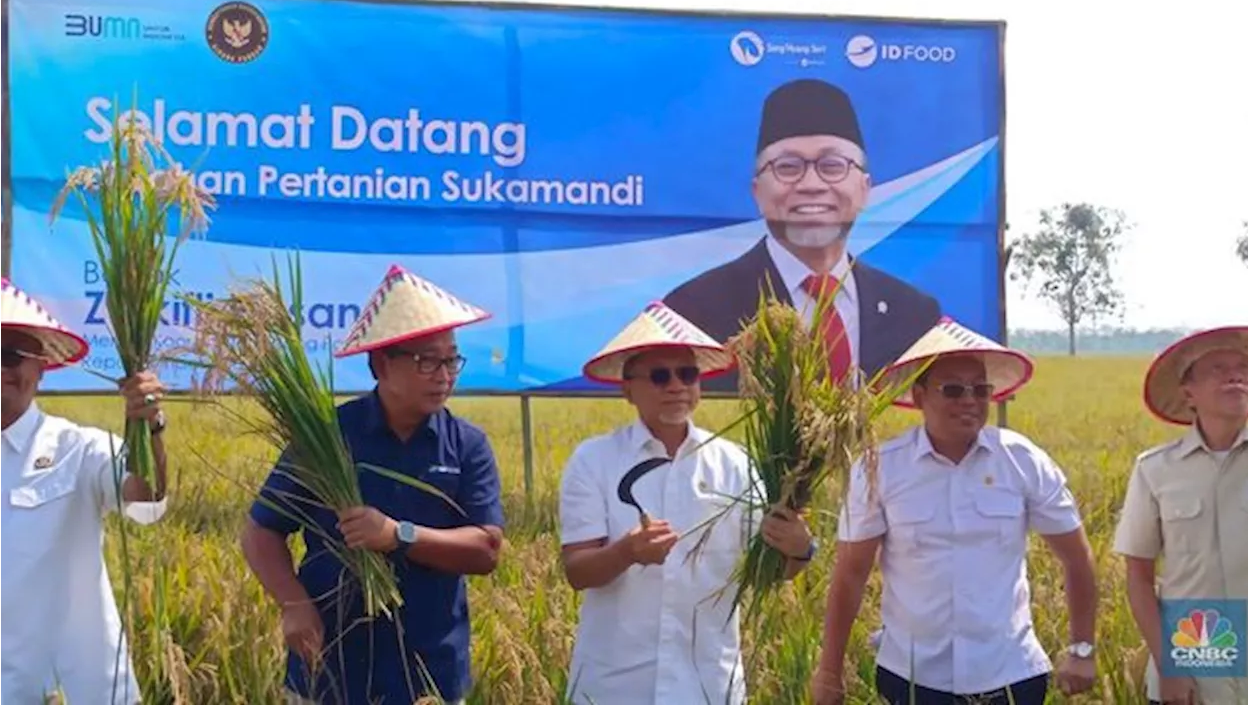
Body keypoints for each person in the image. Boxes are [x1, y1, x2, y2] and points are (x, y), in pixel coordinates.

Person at [240, 264, 505, 705]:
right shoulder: (326, 437)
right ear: (381, 363)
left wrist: (396, 535)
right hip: (331, 661)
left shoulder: (467, 446)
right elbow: (261, 530)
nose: (444, 374)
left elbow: (486, 549)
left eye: (451, 359)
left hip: (427, 669)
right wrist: (293, 603)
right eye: (427, 361)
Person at [810, 318, 1098, 705]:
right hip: (912, 677)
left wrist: (1082, 649)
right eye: (953, 390)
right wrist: (829, 671)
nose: (969, 400)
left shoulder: (1023, 461)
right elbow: (850, 574)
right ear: (919, 396)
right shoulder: (881, 468)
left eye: (980, 390)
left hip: (1010, 673)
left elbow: (1077, 558)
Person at [558, 300, 817, 705]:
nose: (676, 386)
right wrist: (627, 551)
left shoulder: (735, 463)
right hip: (617, 685)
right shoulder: (594, 461)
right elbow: (577, 571)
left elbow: (772, 571)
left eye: (687, 374)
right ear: (628, 389)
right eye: (660, 376)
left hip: (708, 683)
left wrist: (801, 550)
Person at [662, 77, 941, 393]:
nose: (811, 184)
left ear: (865, 189)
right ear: (758, 192)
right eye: (788, 167)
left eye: (832, 165)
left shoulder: (915, 314)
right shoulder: (695, 310)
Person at [0, 277, 169, 704]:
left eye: (11, 354)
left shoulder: (76, 449)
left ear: (40, 366)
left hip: (74, 690)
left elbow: (145, 501)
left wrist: (149, 428)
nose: (1, 368)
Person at [1113, 325, 1248, 705]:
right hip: (1195, 666)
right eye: (1218, 368)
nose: (1235, 375)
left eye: (1242, 368)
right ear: (1189, 392)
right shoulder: (1156, 470)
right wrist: (1171, 668)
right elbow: (1138, 579)